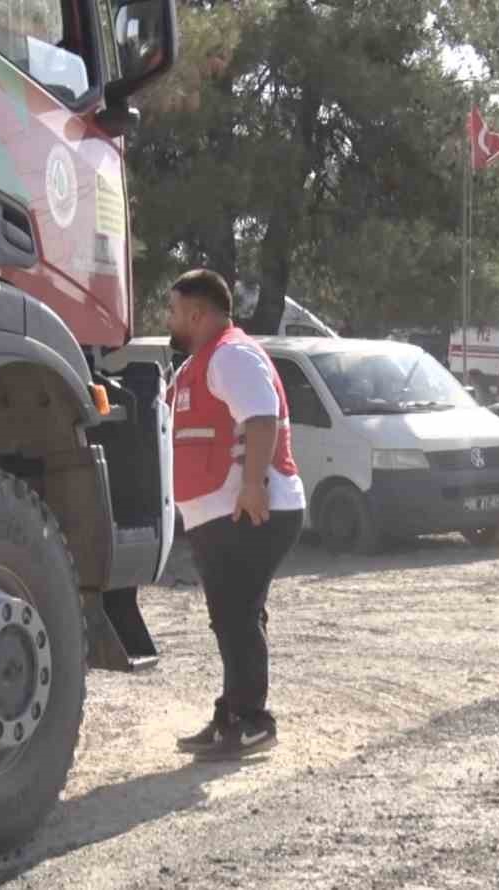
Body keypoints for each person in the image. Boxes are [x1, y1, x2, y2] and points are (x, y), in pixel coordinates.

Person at [165, 269, 306, 759]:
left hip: (249, 508)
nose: (171, 319)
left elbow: (261, 417)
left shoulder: (231, 355)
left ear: (197, 313)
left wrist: (250, 485)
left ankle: (251, 720)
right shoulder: (201, 362)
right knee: (232, 615)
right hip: (218, 513)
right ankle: (233, 715)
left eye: (175, 310)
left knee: (236, 614)